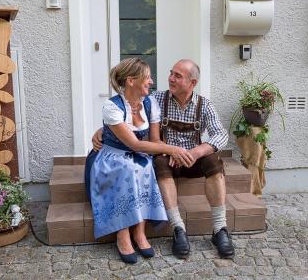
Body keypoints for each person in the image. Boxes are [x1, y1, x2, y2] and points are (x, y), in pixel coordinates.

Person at [93, 59, 234, 259]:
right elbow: (128, 113)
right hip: (167, 159)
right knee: (157, 162)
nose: (170, 78)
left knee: (214, 161)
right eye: (171, 73)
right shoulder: (157, 99)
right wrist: (102, 130)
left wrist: (195, 152)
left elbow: (221, 134)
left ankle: (220, 229)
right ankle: (178, 229)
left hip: (192, 157)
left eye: (178, 76)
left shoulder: (204, 105)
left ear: (192, 83)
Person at [85, 58, 194, 264]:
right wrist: (172, 149)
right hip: (110, 157)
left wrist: (165, 149)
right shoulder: (112, 107)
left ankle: (139, 231)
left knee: (145, 166)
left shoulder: (149, 103)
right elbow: (135, 144)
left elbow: (153, 141)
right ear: (131, 81)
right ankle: (122, 233)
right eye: (147, 78)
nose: (151, 82)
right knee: (127, 168)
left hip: (135, 154)